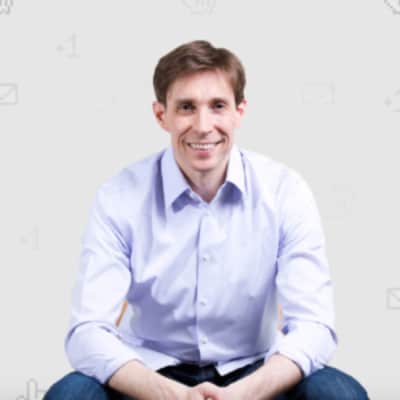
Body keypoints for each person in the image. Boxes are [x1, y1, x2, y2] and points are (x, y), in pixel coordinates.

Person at [44, 40, 369, 400]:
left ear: (239, 112)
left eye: (218, 106)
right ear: (161, 115)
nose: (203, 126)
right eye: (186, 107)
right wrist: (174, 395)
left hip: (256, 371)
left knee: (339, 393)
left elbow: (314, 327)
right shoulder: (119, 197)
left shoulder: (285, 191)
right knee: (70, 394)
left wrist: (242, 394)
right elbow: (87, 332)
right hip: (149, 373)